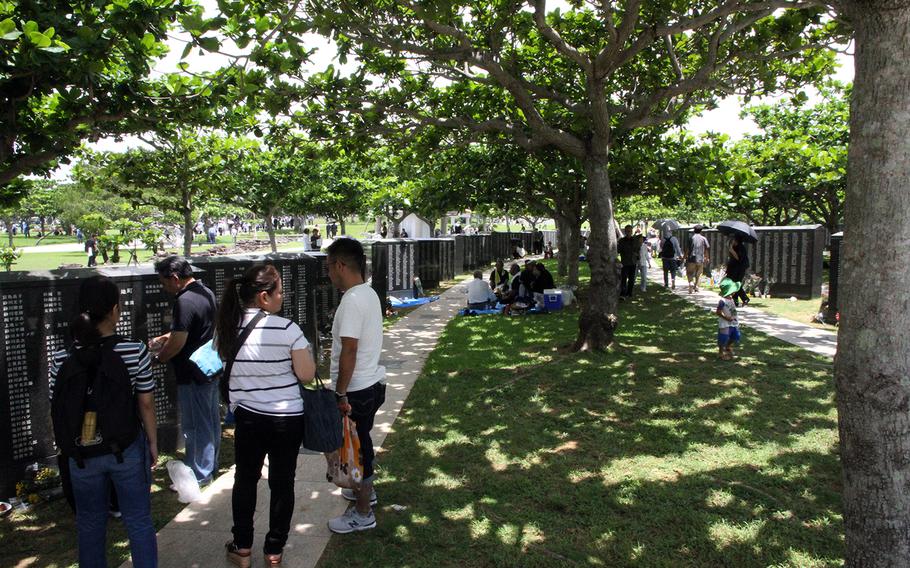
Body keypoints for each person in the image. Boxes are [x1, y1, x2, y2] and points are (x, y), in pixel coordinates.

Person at [49, 276, 158, 568]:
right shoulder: (134, 350)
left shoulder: (61, 357)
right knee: (138, 520)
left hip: (82, 454)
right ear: (114, 310)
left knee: (89, 523)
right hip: (125, 448)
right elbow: (145, 402)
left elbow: (56, 405)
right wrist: (152, 443)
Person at [216, 264, 316, 567]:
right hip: (287, 420)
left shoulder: (227, 329)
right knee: (282, 483)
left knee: (245, 479)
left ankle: (242, 546)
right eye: (280, 292)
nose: (282, 298)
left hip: (248, 419)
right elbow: (307, 375)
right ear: (263, 297)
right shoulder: (288, 330)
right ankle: (274, 550)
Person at [325, 238, 386, 534]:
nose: (329, 275)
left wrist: (340, 392)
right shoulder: (369, 293)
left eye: (328, 268)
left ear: (339, 265)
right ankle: (365, 492)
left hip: (357, 389)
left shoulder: (351, 300)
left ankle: (363, 513)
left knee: (359, 451)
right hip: (371, 383)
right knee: (361, 444)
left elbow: (349, 349)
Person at [149, 256, 220, 486]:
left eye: (164, 282)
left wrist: (159, 358)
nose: (164, 287)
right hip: (209, 369)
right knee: (209, 420)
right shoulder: (205, 292)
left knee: (195, 425)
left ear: (176, 278)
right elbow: (196, 328)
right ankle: (210, 465)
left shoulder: (184, 301)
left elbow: (179, 341)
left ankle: (198, 474)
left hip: (191, 373)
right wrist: (165, 337)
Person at [715, 277, 742, 360]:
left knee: (736, 335)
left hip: (733, 321)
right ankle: (721, 352)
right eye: (733, 290)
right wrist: (726, 317)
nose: (734, 292)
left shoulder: (731, 299)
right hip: (725, 322)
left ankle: (728, 346)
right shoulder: (722, 300)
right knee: (724, 337)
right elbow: (718, 312)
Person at [725, 233, 750, 306]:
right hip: (734, 268)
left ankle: (745, 298)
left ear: (736, 240)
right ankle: (735, 300)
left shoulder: (740, 247)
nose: (732, 241)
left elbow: (738, 258)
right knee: (733, 283)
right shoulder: (735, 247)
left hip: (740, 268)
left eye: (733, 239)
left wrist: (731, 250)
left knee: (736, 284)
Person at [684, 225, 711, 293]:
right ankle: (697, 287)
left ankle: (691, 283)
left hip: (691, 259)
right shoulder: (703, 238)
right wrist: (707, 258)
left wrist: (684, 257)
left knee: (689, 273)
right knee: (699, 273)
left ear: (694, 230)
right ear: (701, 231)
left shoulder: (691, 238)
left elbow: (687, 249)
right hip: (700, 259)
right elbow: (706, 249)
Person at [617, 225, 639, 298]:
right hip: (625, 262)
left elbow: (637, 249)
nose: (628, 232)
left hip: (633, 262)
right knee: (624, 278)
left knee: (631, 279)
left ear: (632, 231)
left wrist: (636, 254)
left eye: (629, 231)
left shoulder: (635, 240)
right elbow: (619, 250)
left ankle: (630, 293)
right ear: (625, 231)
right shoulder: (622, 241)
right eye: (627, 231)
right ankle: (623, 293)